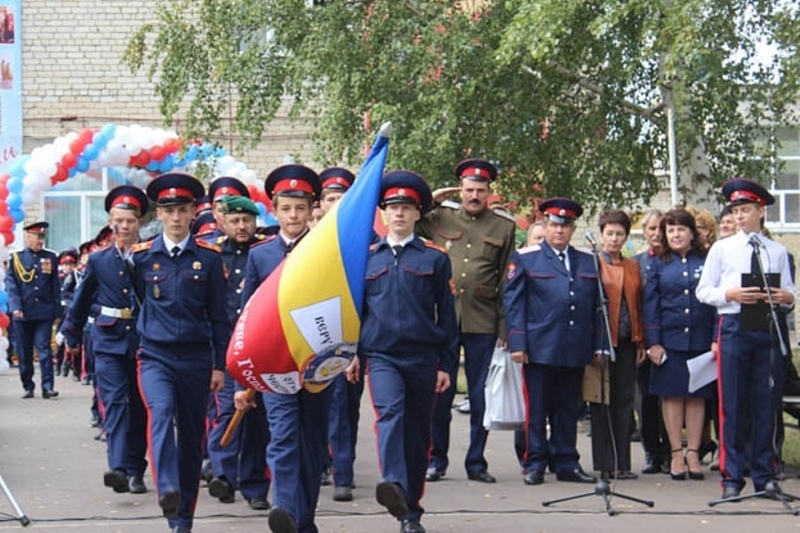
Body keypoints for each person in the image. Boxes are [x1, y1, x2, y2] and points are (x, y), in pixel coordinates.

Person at [345, 170, 458, 533]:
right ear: (382, 212)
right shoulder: (367, 259)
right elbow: (355, 311)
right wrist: (352, 353)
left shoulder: (435, 258)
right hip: (382, 356)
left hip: (423, 358)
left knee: (418, 436)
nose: (399, 213)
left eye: (407, 207)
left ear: (417, 213)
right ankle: (392, 482)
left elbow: (448, 318)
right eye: (393, 207)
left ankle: (410, 512)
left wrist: (446, 365)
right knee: (390, 413)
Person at [132, 172, 228, 533]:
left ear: (192, 213)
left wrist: (219, 365)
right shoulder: (143, 257)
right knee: (160, 412)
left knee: (190, 436)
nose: (175, 217)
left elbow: (219, 317)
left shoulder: (209, 258)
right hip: (155, 356)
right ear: (158, 214)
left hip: (195, 359)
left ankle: (183, 517)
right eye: (169, 210)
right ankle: (168, 488)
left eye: (182, 210)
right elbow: (137, 300)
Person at [236, 164, 328, 533]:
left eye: (300, 208)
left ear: (311, 210)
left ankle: (304, 520)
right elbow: (247, 317)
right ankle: (286, 511)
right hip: (274, 365)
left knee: (312, 445)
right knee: (284, 437)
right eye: (286, 209)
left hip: (317, 364)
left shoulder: (326, 251)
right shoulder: (260, 255)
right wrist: (245, 377)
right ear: (274, 211)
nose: (293, 216)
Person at [417, 158, 515, 484]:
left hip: (483, 321)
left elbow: (506, 280)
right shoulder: (440, 216)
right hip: (443, 319)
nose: (474, 196)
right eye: (469, 189)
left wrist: (503, 327)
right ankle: (437, 459)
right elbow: (409, 221)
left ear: (489, 192)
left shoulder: (503, 227)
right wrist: (432, 199)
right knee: (440, 394)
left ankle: (476, 462)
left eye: (480, 190)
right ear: (460, 189)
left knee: (480, 394)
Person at [696, 178, 796, 500]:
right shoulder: (722, 248)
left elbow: (790, 292)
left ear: (761, 211)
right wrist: (730, 294)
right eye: (736, 211)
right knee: (733, 405)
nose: (739, 216)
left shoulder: (776, 251)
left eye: (746, 210)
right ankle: (732, 477)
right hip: (734, 327)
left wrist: (786, 297)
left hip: (766, 328)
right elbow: (703, 290)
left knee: (766, 406)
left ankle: (765, 476)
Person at [503, 198, 600, 486]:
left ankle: (566, 461)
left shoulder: (587, 260)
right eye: (554, 225)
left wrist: (598, 344)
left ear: (573, 229)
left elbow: (597, 306)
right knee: (537, 409)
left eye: (565, 226)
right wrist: (518, 343)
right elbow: (514, 303)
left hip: (574, 345)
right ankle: (535, 462)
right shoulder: (526, 258)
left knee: (568, 409)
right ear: (545, 226)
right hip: (540, 346)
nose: (559, 231)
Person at [62, 185, 150, 495]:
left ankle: (136, 469)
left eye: (130, 221)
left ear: (139, 223)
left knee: (138, 406)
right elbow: (82, 298)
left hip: (142, 341)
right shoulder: (99, 260)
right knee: (114, 403)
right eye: (119, 221)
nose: (124, 227)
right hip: (108, 340)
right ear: (111, 222)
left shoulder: (149, 256)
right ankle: (118, 468)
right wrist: (71, 332)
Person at [205, 195, 271, 510]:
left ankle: (255, 485)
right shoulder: (212, 254)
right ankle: (224, 477)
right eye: (235, 221)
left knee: (257, 417)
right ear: (222, 222)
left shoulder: (265, 252)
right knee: (227, 411)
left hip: (259, 345)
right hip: (226, 346)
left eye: (247, 220)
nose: (242, 226)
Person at [643, 208, 716, 481]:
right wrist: (653, 342)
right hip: (669, 340)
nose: (676, 234)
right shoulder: (658, 263)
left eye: (681, 229)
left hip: (700, 339)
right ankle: (676, 452)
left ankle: (693, 452)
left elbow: (714, 303)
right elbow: (650, 305)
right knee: (672, 395)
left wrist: (715, 338)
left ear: (691, 233)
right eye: (671, 230)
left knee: (697, 395)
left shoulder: (706, 260)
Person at [316, 166, 363, 501]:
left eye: (342, 199)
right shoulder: (310, 241)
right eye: (331, 198)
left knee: (346, 409)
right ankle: (324, 463)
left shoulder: (364, 241)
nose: (336, 205)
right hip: (315, 337)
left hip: (352, 337)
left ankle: (343, 471)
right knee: (319, 408)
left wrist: (356, 347)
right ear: (321, 203)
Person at [588, 209, 645, 480]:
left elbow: (639, 305)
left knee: (624, 401)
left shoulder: (633, 266)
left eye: (619, 234)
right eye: (609, 233)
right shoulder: (592, 263)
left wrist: (641, 340)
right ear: (601, 235)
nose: (614, 238)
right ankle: (604, 463)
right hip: (601, 341)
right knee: (601, 401)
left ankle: (623, 463)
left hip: (627, 340)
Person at [632, 209, 670, 474]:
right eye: (651, 228)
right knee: (645, 399)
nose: (657, 234)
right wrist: (640, 342)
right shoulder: (636, 264)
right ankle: (651, 452)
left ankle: (670, 451)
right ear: (644, 232)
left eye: (661, 228)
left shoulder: (674, 261)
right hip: (644, 340)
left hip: (671, 338)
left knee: (669, 398)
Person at [6, 222, 61, 399]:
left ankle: (48, 386)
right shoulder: (16, 259)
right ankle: (28, 385)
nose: (40, 241)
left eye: (42, 237)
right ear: (28, 237)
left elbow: (55, 287)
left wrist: (58, 312)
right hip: (23, 312)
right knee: (24, 351)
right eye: (37, 237)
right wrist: (16, 307)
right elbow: (12, 286)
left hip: (44, 311)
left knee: (44, 349)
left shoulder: (51, 257)